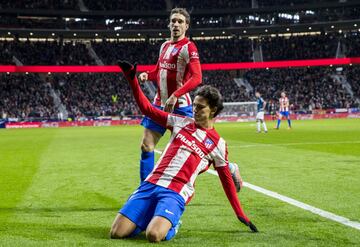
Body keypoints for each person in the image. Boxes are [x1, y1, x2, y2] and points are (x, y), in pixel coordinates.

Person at [110, 61, 258, 242]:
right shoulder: (180, 122)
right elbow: (147, 109)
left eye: (200, 107)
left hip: (175, 192)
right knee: (116, 233)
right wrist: (131, 79)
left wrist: (240, 214)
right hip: (152, 183)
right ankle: (148, 217)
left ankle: (173, 224)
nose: (194, 110)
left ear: (213, 110)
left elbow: (227, 182)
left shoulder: (218, 144)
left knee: (154, 235)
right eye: (194, 105)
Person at [136, 8, 202, 182]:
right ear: (169, 24)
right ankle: (145, 192)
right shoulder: (164, 46)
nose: (176, 24)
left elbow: (197, 77)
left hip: (181, 107)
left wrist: (175, 95)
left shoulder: (189, 47)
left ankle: (229, 167)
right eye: (173, 21)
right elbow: (158, 70)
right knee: (146, 146)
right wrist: (147, 75)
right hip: (159, 105)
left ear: (186, 26)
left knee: (194, 151)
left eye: (180, 21)